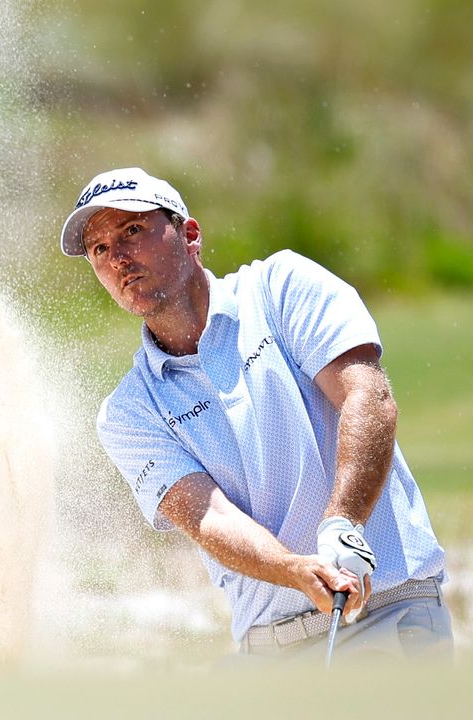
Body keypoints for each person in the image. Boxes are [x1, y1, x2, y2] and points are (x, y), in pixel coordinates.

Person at [60, 167, 451, 660]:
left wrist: (342, 524)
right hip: (268, 652)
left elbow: (367, 398)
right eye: (98, 249)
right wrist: (294, 569)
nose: (117, 258)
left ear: (190, 234)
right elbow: (207, 515)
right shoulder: (129, 411)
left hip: (386, 616)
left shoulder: (281, 288)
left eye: (132, 231)